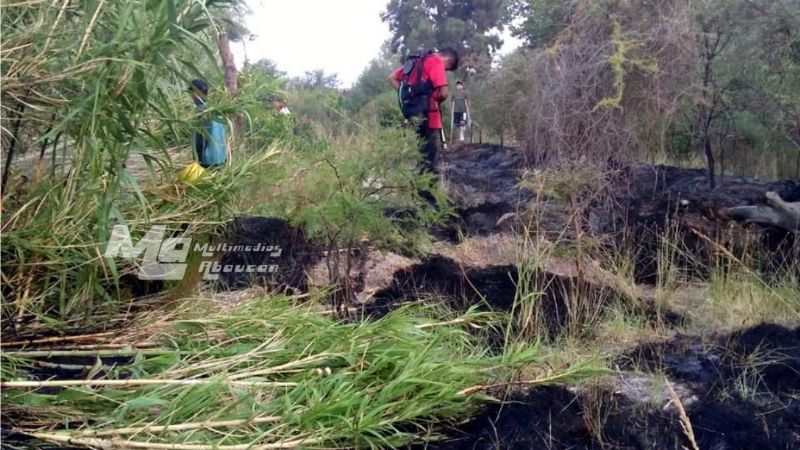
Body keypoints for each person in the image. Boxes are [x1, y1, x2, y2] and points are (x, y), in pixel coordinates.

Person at [388, 47, 459, 175]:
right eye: (446, 69)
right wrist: (433, 99)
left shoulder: (417, 61)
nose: (444, 71)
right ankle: (427, 190)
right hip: (429, 117)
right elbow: (443, 93)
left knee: (419, 153)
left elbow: (392, 78)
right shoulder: (436, 61)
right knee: (429, 160)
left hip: (412, 115)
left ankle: (417, 185)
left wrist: (409, 95)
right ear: (448, 60)